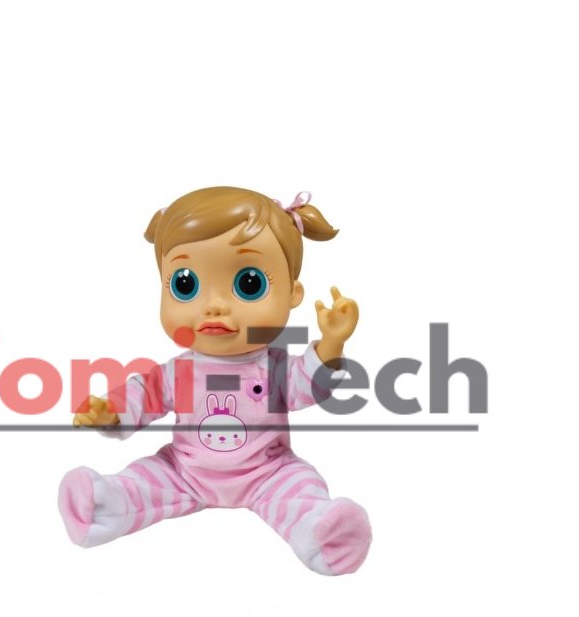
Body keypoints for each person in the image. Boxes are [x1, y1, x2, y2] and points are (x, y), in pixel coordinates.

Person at [57, 186, 372, 575]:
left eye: (249, 284)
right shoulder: (181, 371)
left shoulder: (274, 368)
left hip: (268, 472)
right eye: (185, 284)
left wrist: (332, 342)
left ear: (293, 294)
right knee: (144, 478)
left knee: (301, 487)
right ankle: (102, 506)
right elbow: (145, 394)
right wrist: (111, 410)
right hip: (184, 472)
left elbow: (309, 383)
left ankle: (322, 533)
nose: (214, 305)